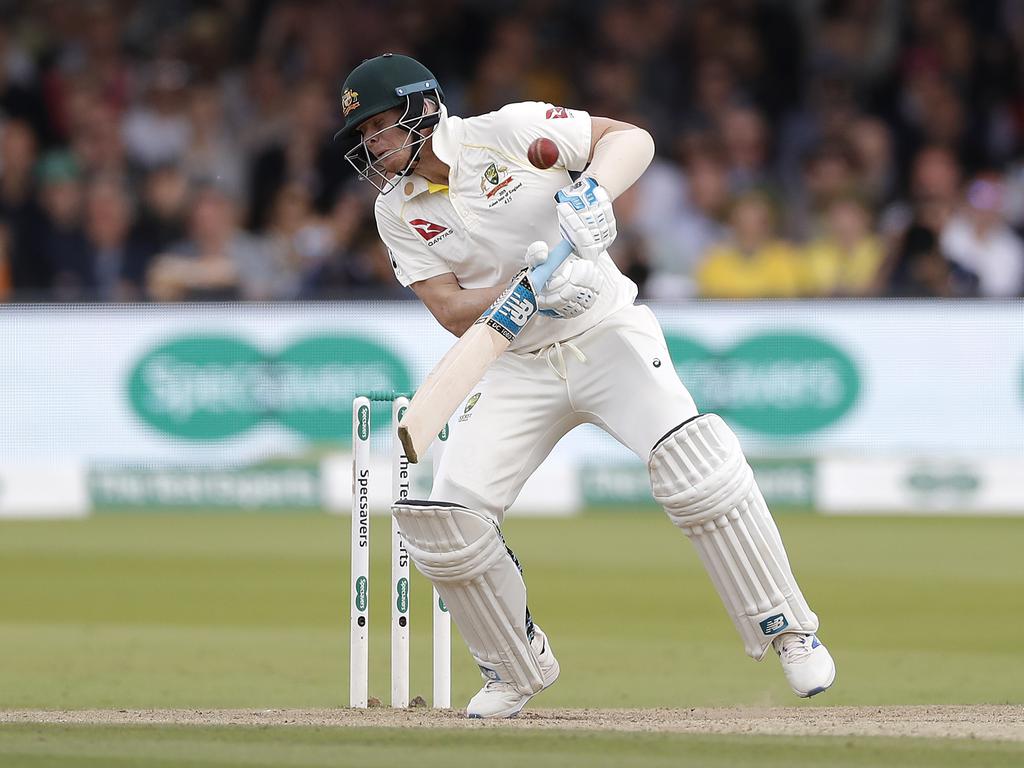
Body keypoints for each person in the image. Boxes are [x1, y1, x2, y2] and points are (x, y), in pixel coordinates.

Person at [338, 53, 836, 719]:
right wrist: (527, 292)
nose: (372, 145)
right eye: (364, 135)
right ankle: (513, 667)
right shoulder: (396, 211)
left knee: (697, 469)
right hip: (515, 361)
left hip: (605, 330)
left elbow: (632, 139)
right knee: (450, 523)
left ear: (421, 108)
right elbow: (454, 311)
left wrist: (591, 191)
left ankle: (789, 629)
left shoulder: (508, 131)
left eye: (379, 126)